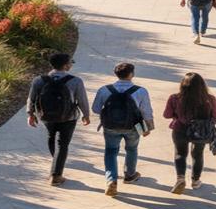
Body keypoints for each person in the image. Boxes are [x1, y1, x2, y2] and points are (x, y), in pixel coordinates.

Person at [91, 62, 154, 197]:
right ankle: (130, 175)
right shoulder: (140, 91)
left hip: (110, 126)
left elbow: (95, 109)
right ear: (131, 74)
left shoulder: (104, 89)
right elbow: (146, 111)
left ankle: (111, 180)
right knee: (132, 149)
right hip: (133, 126)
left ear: (116, 74)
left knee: (111, 152)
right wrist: (148, 127)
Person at [27, 52, 90, 185]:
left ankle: (56, 160)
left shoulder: (39, 80)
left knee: (51, 136)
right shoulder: (75, 81)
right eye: (71, 62)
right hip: (69, 117)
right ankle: (56, 175)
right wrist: (86, 115)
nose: (71, 65)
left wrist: (31, 114)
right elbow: (82, 100)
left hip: (46, 116)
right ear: (66, 65)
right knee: (63, 144)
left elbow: (31, 98)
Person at [163, 72, 216, 193]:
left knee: (180, 153)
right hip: (201, 130)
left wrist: (177, 114)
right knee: (197, 154)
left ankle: (180, 179)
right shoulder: (209, 99)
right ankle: (195, 181)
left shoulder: (174, 98)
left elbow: (166, 115)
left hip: (180, 128)